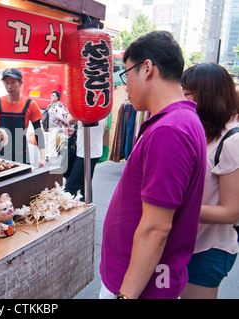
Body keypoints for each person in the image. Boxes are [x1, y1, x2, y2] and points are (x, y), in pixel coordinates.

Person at [99, 31, 207, 299]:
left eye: (126, 75)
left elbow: (156, 229)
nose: (126, 86)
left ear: (147, 68)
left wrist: (126, 295)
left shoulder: (170, 130)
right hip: (143, 279)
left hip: (139, 285)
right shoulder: (178, 121)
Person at [180, 63, 239, 299]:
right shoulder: (204, 131)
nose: (183, 98)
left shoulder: (232, 140)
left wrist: (176, 208)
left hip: (210, 248)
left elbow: (231, 212)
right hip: (190, 240)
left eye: (187, 93)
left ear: (208, 96)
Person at [0, 68, 46, 166]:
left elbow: (38, 132)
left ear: (21, 82)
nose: (9, 86)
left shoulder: (30, 104)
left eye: (13, 82)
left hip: (21, 156)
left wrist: (43, 158)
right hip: (1, 155)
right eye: (6, 82)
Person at [64, 116, 105, 203]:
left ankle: (69, 214)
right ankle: (87, 211)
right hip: (93, 150)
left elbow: (70, 120)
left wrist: (68, 114)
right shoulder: (101, 105)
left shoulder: (86, 105)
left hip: (86, 152)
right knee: (86, 186)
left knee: (70, 189)